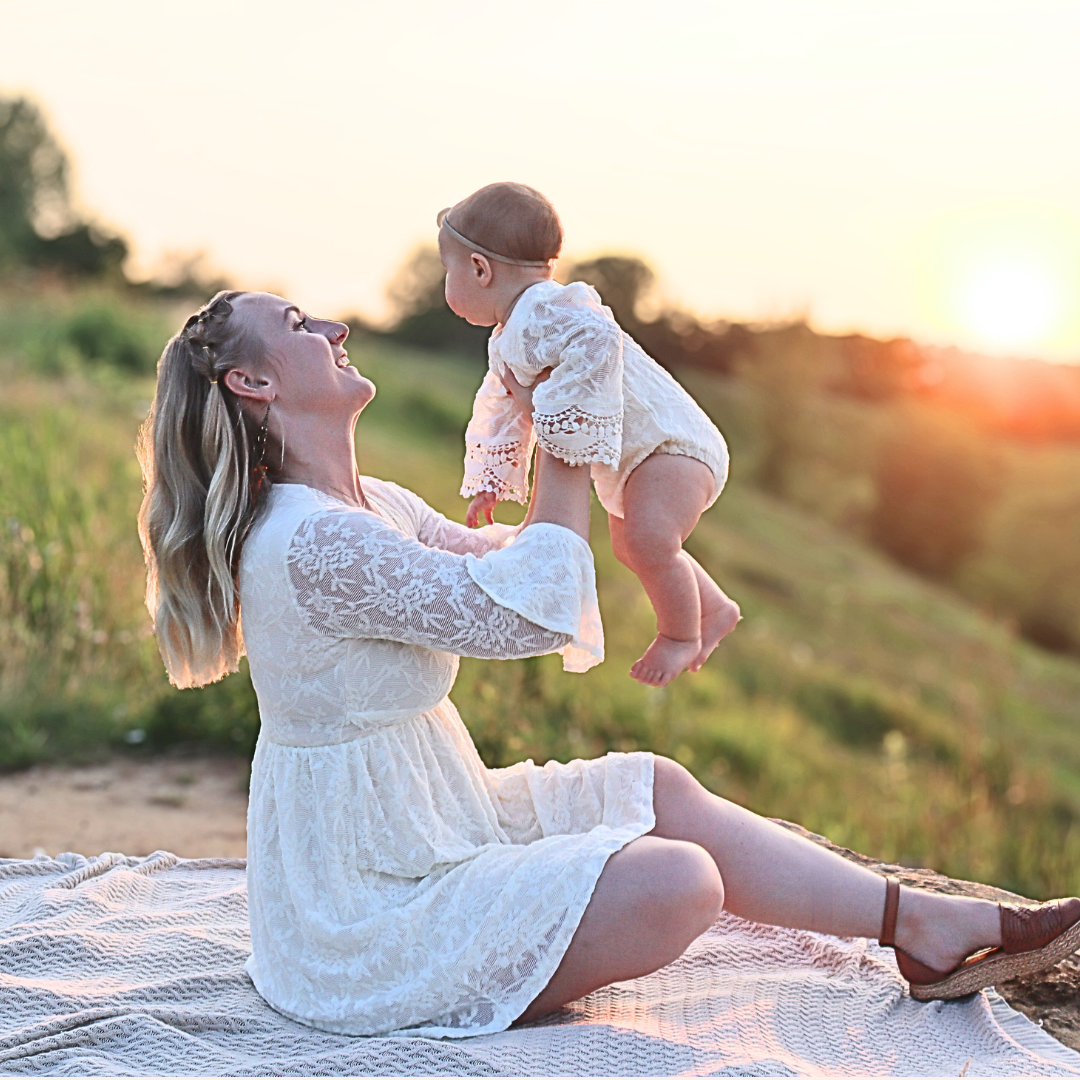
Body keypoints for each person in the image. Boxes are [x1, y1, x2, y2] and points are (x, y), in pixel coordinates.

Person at [136, 290, 1080, 1038]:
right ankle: (457, 971)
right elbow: (524, 615)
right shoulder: (312, 545)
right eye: (300, 325)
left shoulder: (367, 505)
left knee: (656, 788)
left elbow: (510, 563)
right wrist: (569, 433)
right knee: (678, 883)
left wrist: (660, 544)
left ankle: (918, 924)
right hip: (364, 905)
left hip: (428, 817)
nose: (336, 326)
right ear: (252, 385)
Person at [447, 182, 741, 689]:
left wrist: (553, 410)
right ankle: (713, 608)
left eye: (447, 271)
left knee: (650, 542)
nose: (444, 284)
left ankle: (679, 637)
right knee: (633, 548)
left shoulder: (549, 309)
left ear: (479, 269)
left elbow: (598, 338)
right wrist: (493, 476)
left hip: (670, 446)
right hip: (638, 459)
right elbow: (505, 406)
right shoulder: (509, 335)